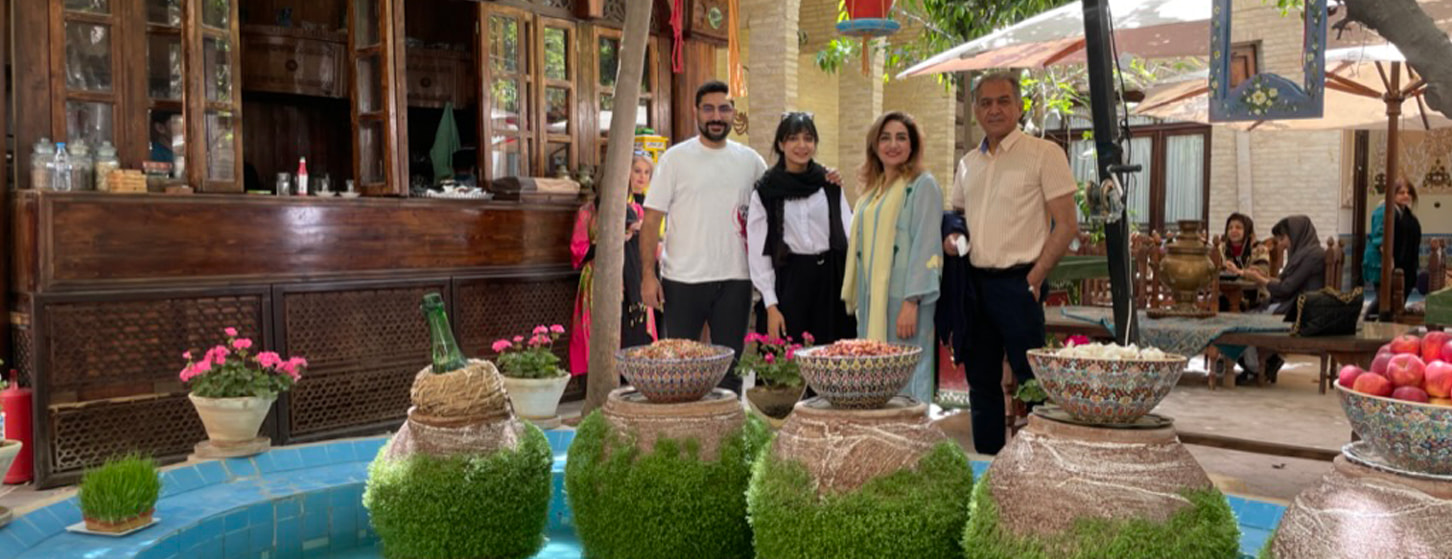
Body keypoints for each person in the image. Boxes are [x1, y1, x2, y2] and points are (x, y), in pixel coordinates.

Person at [944, 72, 1079, 455]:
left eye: (1003, 100)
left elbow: (1067, 224)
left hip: (1020, 283)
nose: (994, 109)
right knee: (980, 381)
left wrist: (1036, 277)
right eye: (985, 103)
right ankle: (987, 467)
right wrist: (952, 235)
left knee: (1032, 382)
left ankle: (1038, 468)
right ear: (975, 112)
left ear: (1020, 106)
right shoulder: (968, 162)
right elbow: (958, 214)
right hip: (975, 285)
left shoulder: (1044, 153)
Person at [641, 80, 767, 395]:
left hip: (736, 280)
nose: (716, 116)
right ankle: (681, 438)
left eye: (724, 108)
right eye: (708, 108)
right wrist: (647, 275)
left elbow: (778, 200)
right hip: (682, 280)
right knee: (679, 370)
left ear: (733, 114)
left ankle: (728, 441)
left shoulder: (751, 162)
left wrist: (823, 176)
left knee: (730, 372)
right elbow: (652, 217)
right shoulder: (674, 159)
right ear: (696, 112)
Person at [841, 111, 943, 405]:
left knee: (907, 374)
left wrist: (912, 302)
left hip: (906, 301)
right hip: (875, 301)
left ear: (912, 146)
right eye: (885, 138)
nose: (893, 144)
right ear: (874, 145)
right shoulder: (872, 192)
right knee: (876, 376)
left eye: (901, 137)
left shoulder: (922, 185)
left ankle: (912, 441)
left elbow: (927, 244)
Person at [747, 112, 856, 350]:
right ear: (781, 144)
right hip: (788, 282)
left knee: (831, 360)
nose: (801, 145)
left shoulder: (828, 183)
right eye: (793, 138)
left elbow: (849, 233)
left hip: (830, 282)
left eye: (808, 139)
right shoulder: (766, 191)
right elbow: (758, 252)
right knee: (788, 361)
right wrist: (771, 304)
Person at [569, 152, 657, 375]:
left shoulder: (638, 210)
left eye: (646, 173)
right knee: (605, 338)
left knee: (636, 341)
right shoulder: (588, 212)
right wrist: (615, 239)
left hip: (633, 280)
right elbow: (578, 252)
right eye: (636, 171)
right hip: (600, 279)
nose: (640, 177)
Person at [1240, 215, 1326, 384]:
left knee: (1248, 323)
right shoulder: (1306, 253)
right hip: (1295, 305)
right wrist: (1262, 277)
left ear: (1296, 234)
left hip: (1299, 310)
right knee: (1248, 315)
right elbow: (1287, 284)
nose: (1282, 244)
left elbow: (1287, 288)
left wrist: (1261, 280)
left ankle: (1255, 368)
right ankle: (1267, 362)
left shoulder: (1312, 256)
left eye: (1283, 238)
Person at [1363, 178, 1422, 318]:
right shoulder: (1384, 211)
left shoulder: (1405, 214)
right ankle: (1369, 323)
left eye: (1409, 193)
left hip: (1401, 264)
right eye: (1401, 192)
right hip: (1381, 261)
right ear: (1392, 194)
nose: (1406, 196)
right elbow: (1381, 239)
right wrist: (1389, 262)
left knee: (1393, 299)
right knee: (1385, 299)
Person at [1219, 212, 1270, 311]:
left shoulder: (1259, 249)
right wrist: (1222, 266)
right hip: (1224, 295)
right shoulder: (1221, 248)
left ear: (1247, 230)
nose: (1233, 230)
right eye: (1230, 228)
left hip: (1254, 298)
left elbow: (1262, 272)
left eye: (1238, 227)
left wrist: (1238, 271)